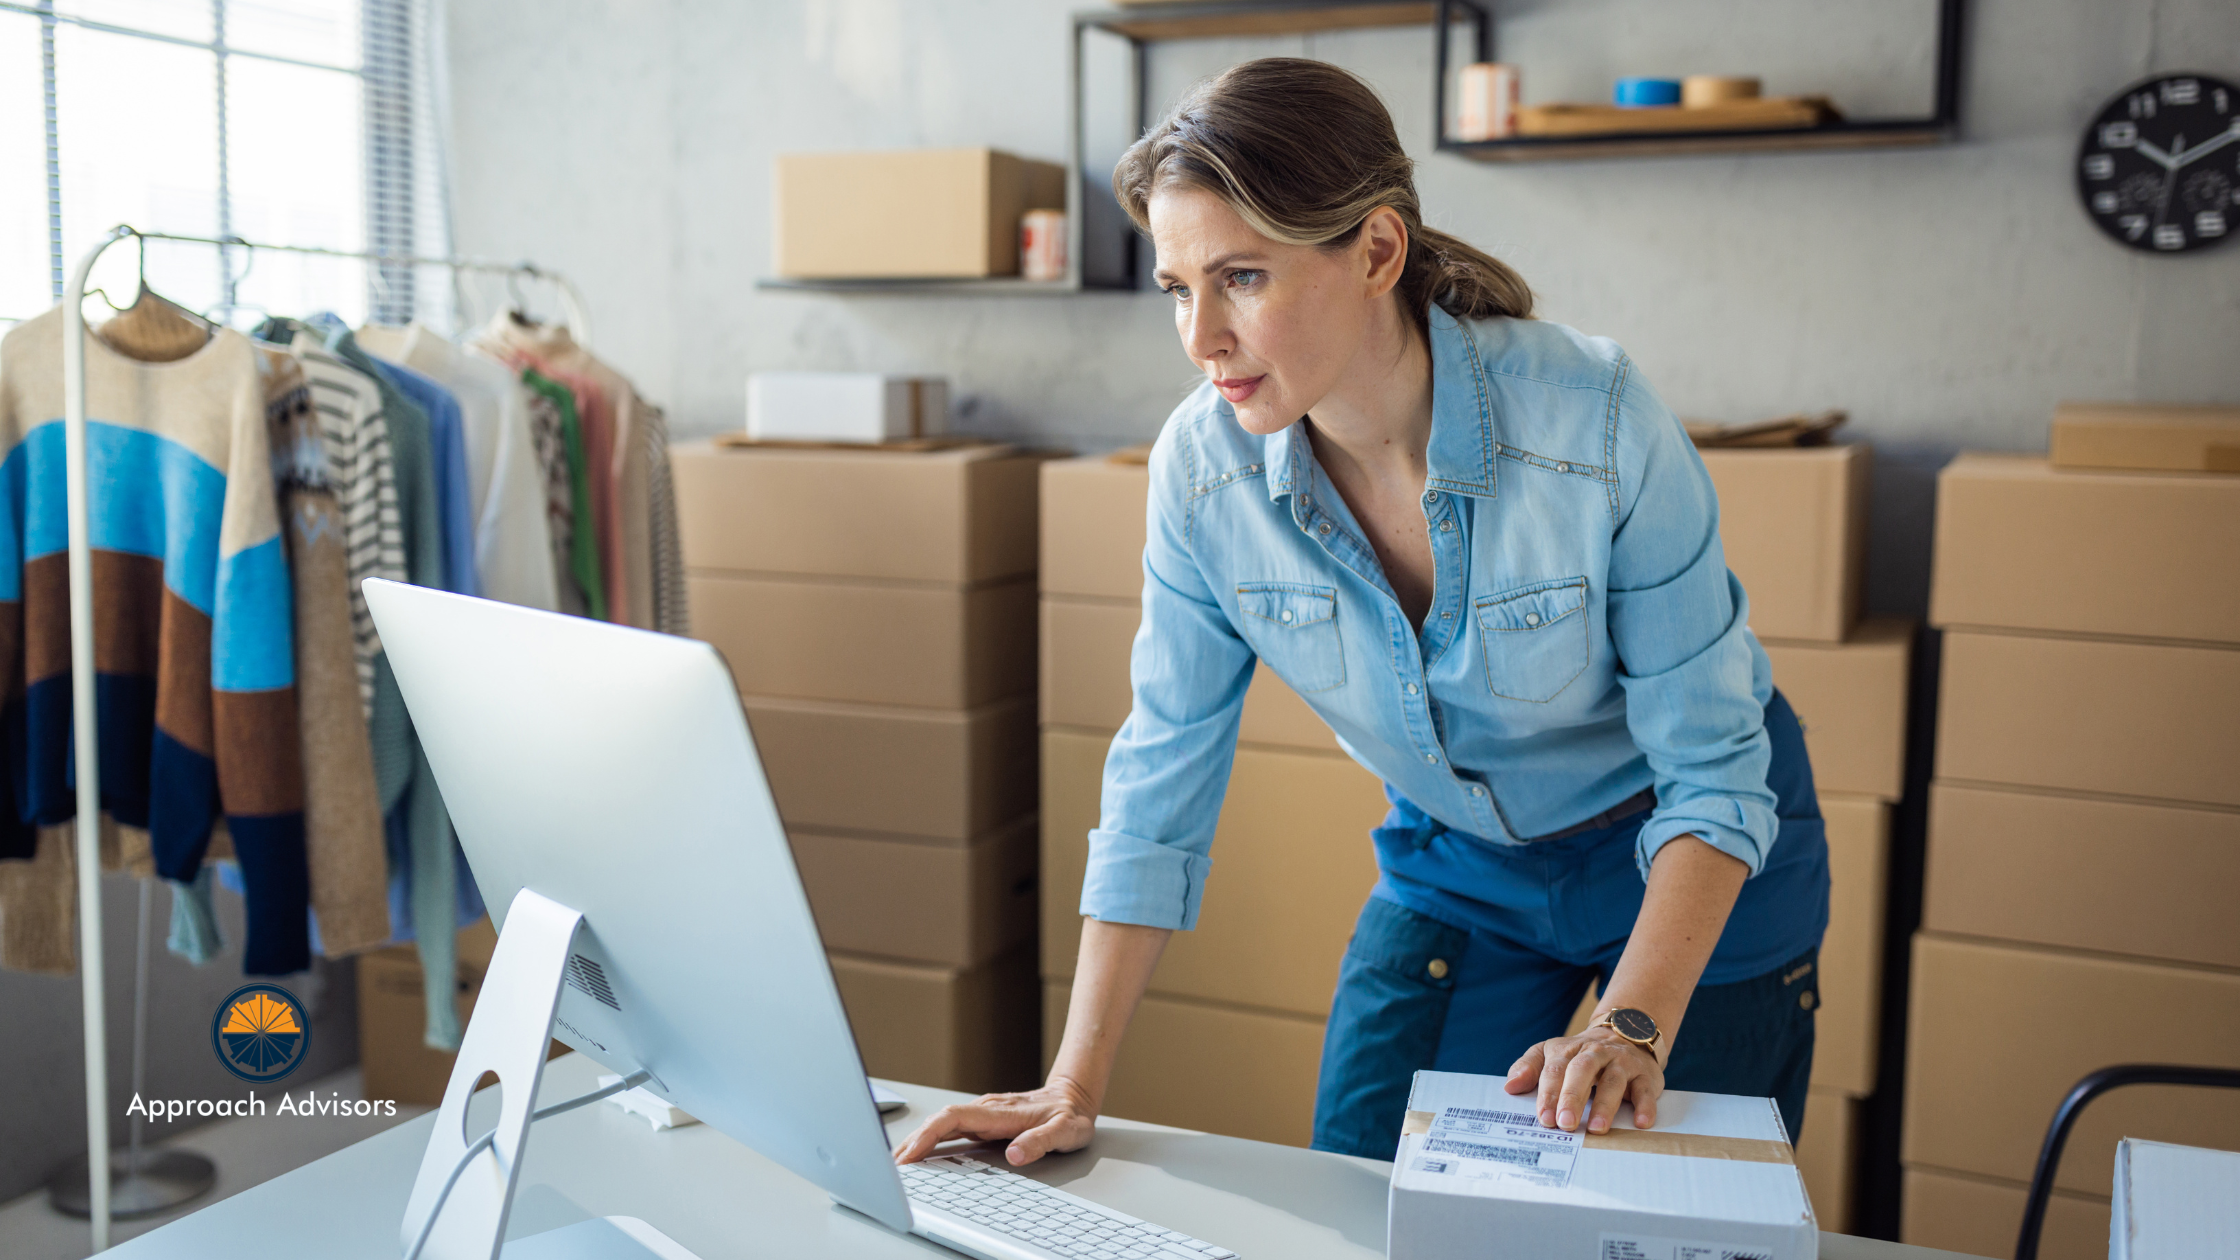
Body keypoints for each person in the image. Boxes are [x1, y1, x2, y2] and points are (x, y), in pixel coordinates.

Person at [895, 57, 1829, 1168]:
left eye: (1239, 278)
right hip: (1460, 862)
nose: (1199, 340)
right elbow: (1160, 773)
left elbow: (1715, 772)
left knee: (1654, 1225)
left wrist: (1629, 1025)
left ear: (1377, 250)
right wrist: (1071, 1081)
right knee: (1357, 1186)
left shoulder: (1595, 422)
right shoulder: (1202, 473)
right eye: (1176, 288)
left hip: (1694, 856)